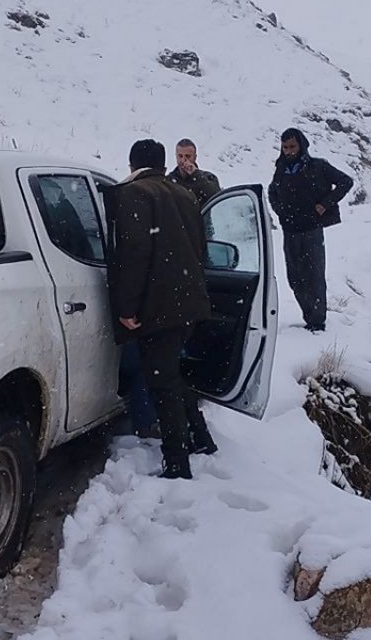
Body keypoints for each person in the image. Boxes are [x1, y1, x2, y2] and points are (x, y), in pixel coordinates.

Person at [104, 139, 218, 479]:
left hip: (158, 305)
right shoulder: (182, 194)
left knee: (162, 381)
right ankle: (201, 439)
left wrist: (127, 307)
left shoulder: (134, 194)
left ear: (132, 163)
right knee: (170, 374)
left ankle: (177, 463)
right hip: (189, 300)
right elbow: (199, 246)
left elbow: (135, 253)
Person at [267, 128, 353, 332]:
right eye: (285, 147)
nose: (288, 151)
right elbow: (272, 192)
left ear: (301, 146)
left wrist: (324, 205)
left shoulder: (317, 166)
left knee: (314, 277)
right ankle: (308, 317)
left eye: (292, 146)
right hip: (290, 230)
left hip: (312, 230)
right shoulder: (281, 168)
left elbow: (345, 182)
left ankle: (317, 322)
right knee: (295, 278)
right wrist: (280, 211)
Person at [168, 138, 221, 237]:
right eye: (180, 156)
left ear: (195, 157)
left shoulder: (208, 178)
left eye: (188, 156)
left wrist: (196, 175)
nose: (183, 160)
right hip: (178, 235)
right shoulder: (169, 181)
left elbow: (216, 197)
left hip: (203, 234)